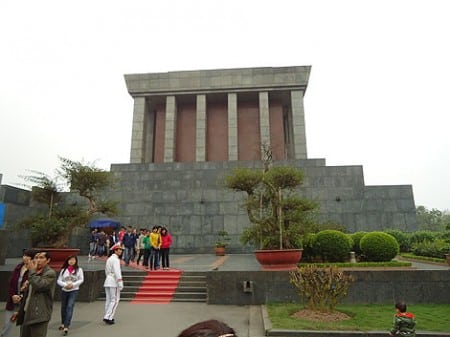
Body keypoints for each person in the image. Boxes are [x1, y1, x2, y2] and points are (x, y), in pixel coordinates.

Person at [16, 250, 56, 337]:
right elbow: (28, 295)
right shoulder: (33, 273)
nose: (38, 260)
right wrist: (20, 311)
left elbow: (40, 285)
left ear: (48, 260)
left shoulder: (50, 273)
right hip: (27, 314)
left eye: (41, 258)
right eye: (36, 257)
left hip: (39, 316)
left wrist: (31, 271)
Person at [0, 249, 35, 337]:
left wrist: (21, 296)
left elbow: (31, 287)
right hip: (13, 301)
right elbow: (11, 283)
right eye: (24, 255)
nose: (25, 258)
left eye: (28, 256)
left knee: (24, 327)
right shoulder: (19, 267)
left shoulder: (34, 271)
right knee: (8, 323)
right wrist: (13, 295)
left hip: (24, 302)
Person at [57, 255, 84, 335]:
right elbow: (59, 280)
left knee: (70, 306)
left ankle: (66, 326)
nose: (71, 261)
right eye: (70, 260)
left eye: (73, 260)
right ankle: (63, 322)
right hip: (64, 290)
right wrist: (65, 285)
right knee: (63, 307)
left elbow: (81, 279)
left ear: (76, 261)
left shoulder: (79, 270)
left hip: (74, 290)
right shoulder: (63, 270)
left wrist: (73, 284)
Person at [103, 243, 124, 325]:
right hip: (113, 281)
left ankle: (107, 315)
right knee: (115, 300)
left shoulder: (109, 259)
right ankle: (108, 317)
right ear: (115, 251)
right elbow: (117, 272)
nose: (121, 251)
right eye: (119, 250)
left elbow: (106, 271)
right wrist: (120, 282)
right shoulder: (115, 260)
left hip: (108, 279)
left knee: (109, 300)